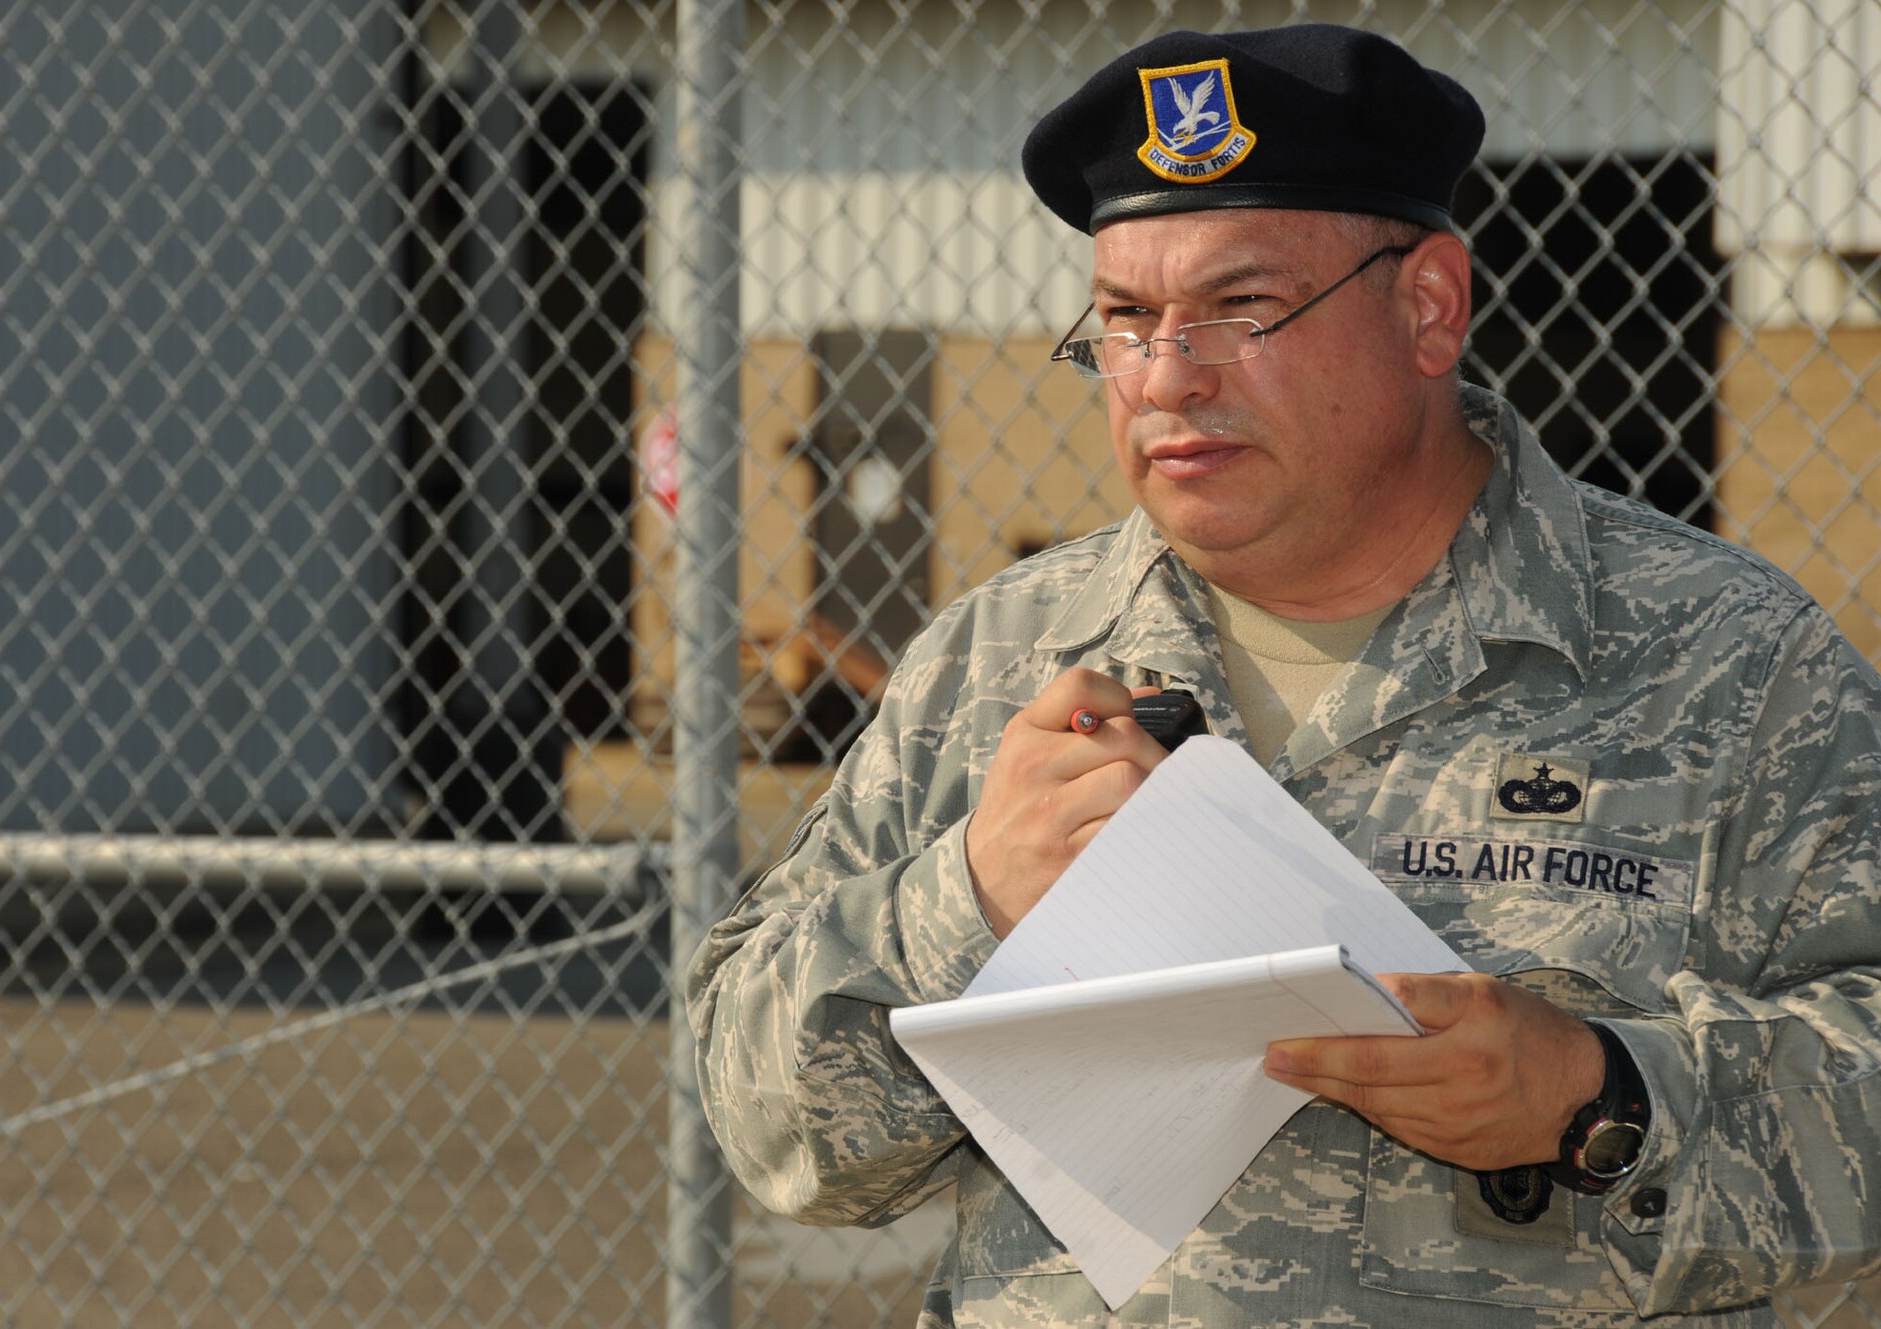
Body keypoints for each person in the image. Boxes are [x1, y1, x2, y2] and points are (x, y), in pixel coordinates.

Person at [689, 22, 1881, 1327]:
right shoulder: (995, 663)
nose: (1166, 379)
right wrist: (965, 897)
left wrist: (1603, 1099)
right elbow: (763, 1122)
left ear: (1429, 306)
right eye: (1125, 323)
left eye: (1239, 312)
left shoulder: (1726, 661)